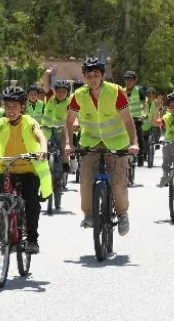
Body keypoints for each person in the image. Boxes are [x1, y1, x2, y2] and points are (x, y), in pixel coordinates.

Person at [0, 86, 51, 254]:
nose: (11, 110)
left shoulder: (29, 122)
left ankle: (31, 239)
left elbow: (40, 136)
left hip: (27, 168)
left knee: (31, 203)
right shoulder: (0, 123)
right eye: (7, 107)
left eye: (15, 107)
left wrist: (42, 149)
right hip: (5, 167)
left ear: (22, 107)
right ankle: (3, 224)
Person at [63, 57, 139, 234]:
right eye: (89, 75)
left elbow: (128, 120)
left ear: (103, 76)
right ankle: (89, 215)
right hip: (90, 142)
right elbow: (69, 121)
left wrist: (133, 143)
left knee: (118, 182)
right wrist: (69, 143)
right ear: (84, 77)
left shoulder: (116, 92)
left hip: (117, 143)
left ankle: (122, 214)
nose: (93, 79)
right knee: (86, 179)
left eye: (96, 75)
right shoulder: (79, 95)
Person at [41, 69, 72, 173]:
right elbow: (46, 85)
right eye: (58, 91)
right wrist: (47, 73)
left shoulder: (69, 103)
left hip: (60, 130)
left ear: (67, 93)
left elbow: (72, 116)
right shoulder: (50, 97)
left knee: (64, 146)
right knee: (40, 148)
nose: (60, 93)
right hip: (46, 129)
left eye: (64, 91)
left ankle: (65, 163)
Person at [123, 71, 147, 166]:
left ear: (134, 81)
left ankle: (140, 156)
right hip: (125, 119)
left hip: (137, 118)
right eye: (127, 80)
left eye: (131, 80)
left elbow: (145, 104)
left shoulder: (139, 90)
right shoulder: (122, 91)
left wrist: (144, 114)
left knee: (138, 136)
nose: (129, 82)